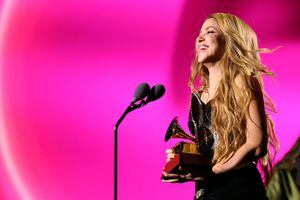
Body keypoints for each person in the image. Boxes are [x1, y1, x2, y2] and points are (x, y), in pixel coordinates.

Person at [162, 12, 279, 200]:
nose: (200, 37)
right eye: (200, 33)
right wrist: (184, 166)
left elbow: (257, 144)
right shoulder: (198, 96)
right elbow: (211, 156)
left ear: (229, 41)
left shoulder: (242, 80)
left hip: (240, 192)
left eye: (210, 32)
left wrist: (214, 170)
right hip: (207, 192)